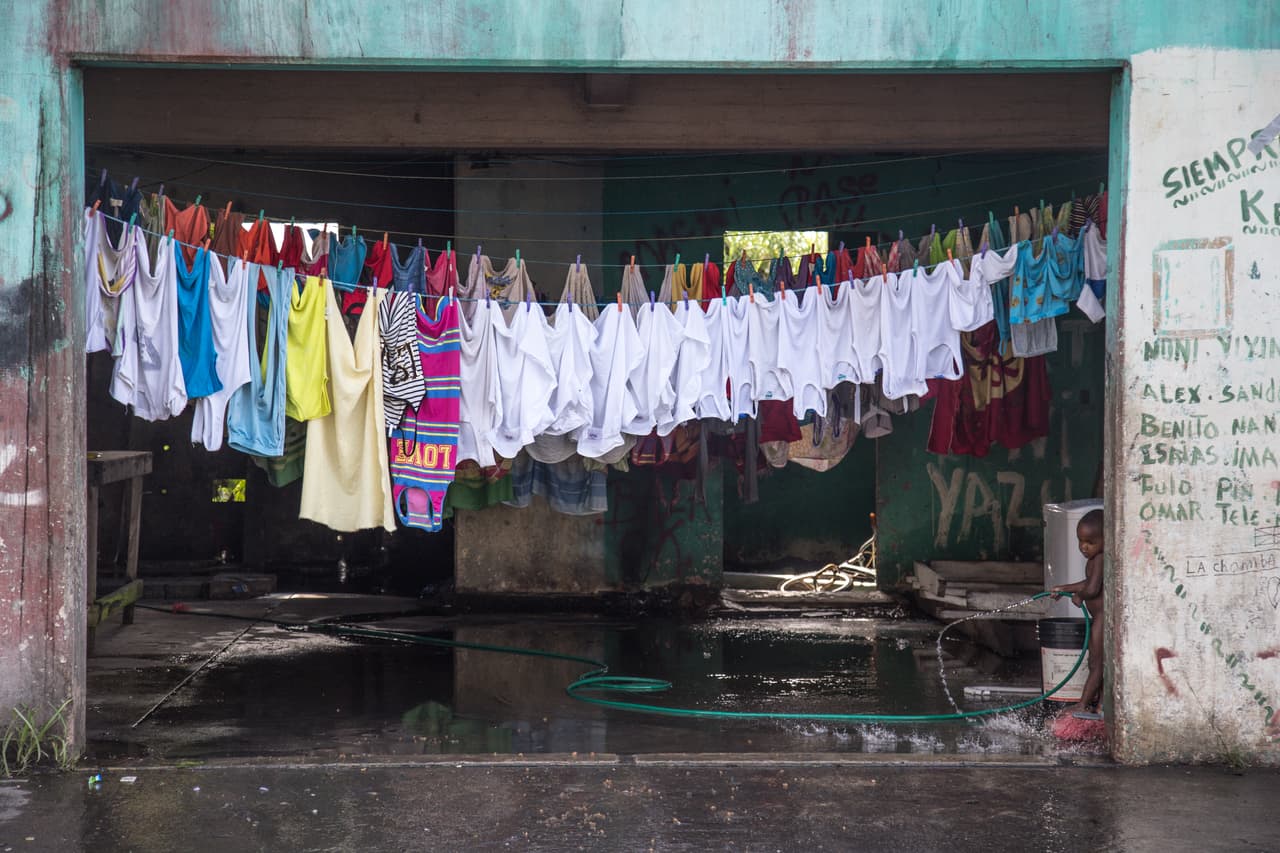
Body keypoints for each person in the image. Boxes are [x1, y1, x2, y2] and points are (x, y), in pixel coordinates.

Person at [1051, 509, 1104, 718]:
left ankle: (1083, 705)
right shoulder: (1093, 560)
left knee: (1097, 664)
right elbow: (1090, 583)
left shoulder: (1100, 559)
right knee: (1096, 662)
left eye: (1090, 542)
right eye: (1080, 541)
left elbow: (1091, 589)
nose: (1084, 547)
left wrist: (1080, 596)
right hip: (1097, 618)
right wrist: (1064, 587)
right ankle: (1098, 705)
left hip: (1102, 618)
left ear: (1105, 540)